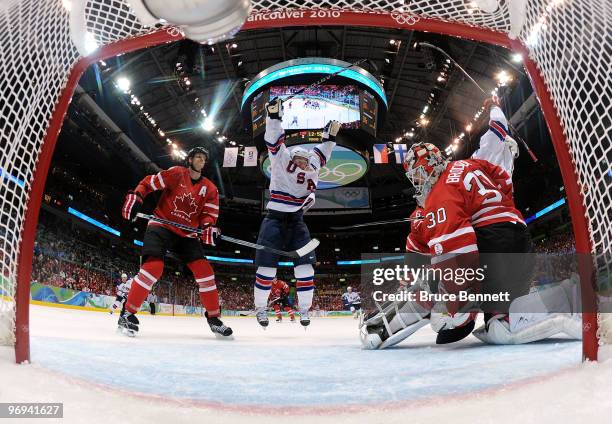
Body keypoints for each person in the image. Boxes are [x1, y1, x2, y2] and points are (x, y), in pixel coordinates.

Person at [360, 108, 581, 349]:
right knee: (502, 323)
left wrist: (460, 302)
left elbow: (457, 245)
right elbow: (504, 174)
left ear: (426, 168)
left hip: (493, 243)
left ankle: (387, 326)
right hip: (520, 241)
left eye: (417, 175)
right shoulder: (471, 164)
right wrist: (501, 130)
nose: (417, 182)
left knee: (440, 307)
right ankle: (568, 298)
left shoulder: (439, 193)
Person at [119, 146, 232, 338]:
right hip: (161, 225)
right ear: (189, 160)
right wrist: (137, 196)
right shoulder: (176, 173)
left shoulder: (210, 189)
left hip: (187, 235)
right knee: (153, 268)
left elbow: (208, 216)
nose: (201, 161)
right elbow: (149, 183)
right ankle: (127, 313)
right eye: (197, 157)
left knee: (205, 272)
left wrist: (208, 229)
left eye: (204, 159)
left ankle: (214, 319)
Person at [253, 97, 340, 328]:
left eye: (305, 159)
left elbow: (323, 151)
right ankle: (260, 309)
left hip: (297, 221)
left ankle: (304, 310)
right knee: (266, 269)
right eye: (298, 159)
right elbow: (273, 140)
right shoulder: (282, 160)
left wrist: (329, 137)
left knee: (305, 269)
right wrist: (274, 118)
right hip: (274, 218)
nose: (302, 162)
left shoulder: (314, 165)